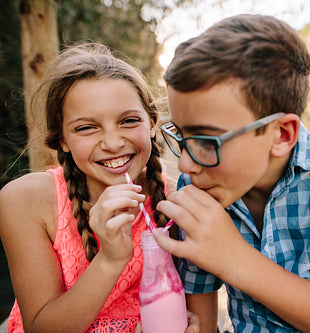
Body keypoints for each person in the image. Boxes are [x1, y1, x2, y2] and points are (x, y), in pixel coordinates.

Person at [154, 14, 310, 333]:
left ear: (281, 134)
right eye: (180, 135)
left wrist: (233, 258)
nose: (185, 164)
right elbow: (202, 312)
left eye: (207, 141)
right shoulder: (198, 183)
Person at [0, 43, 198, 333]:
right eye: (86, 128)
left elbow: (199, 316)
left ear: (152, 124)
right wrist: (111, 258)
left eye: (128, 121)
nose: (113, 142)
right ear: (63, 139)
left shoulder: (178, 202)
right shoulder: (25, 201)